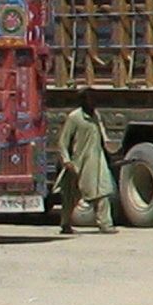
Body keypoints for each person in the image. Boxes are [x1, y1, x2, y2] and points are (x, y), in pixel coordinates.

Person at [56, 98, 116, 233]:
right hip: (79, 162)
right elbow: (63, 142)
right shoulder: (74, 117)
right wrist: (66, 160)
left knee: (102, 191)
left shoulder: (96, 116)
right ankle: (65, 224)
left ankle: (105, 224)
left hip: (97, 160)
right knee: (71, 195)